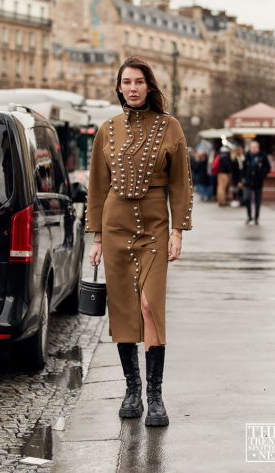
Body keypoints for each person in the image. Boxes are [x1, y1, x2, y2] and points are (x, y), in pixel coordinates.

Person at [85, 56, 194, 427]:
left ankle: (155, 396)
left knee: (149, 306)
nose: (132, 88)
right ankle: (132, 391)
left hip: (155, 225)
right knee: (123, 310)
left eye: (138, 81)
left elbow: (181, 183)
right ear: (119, 87)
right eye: (126, 82)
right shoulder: (107, 129)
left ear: (149, 86)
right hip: (114, 225)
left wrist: (178, 230)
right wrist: (96, 238)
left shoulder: (170, 127)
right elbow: (97, 187)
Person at [242, 140, 271, 225]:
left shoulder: (262, 156)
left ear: (258, 148)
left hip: (258, 181)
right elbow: (243, 168)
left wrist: (262, 175)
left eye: (254, 147)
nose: (253, 149)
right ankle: (249, 216)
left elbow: (268, 167)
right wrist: (243, 178)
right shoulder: (247, 156)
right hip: (248, 181)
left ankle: (256, 218)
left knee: (257, 200)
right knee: (247, 198)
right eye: (251, 147)